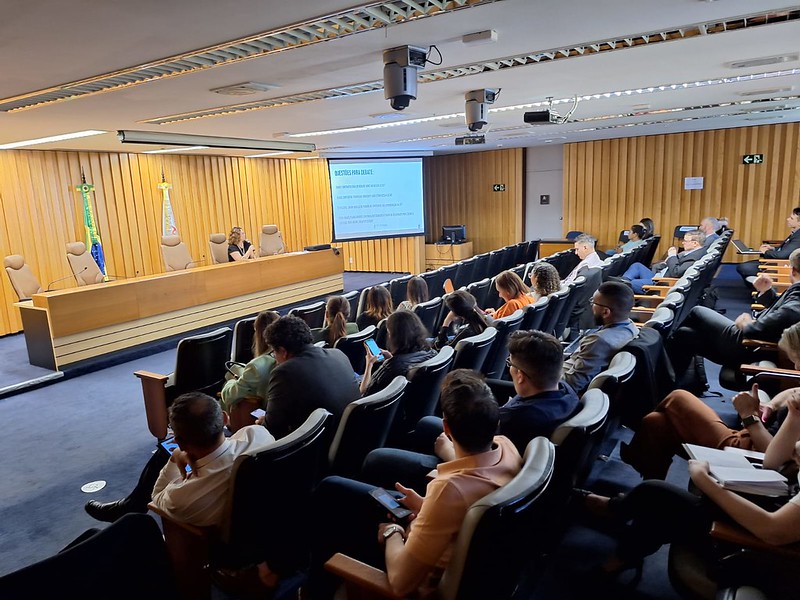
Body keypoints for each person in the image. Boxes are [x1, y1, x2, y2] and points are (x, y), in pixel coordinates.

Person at [306, 370, 522, 598]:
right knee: (342, 491)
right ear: (495, 422)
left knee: (331, 492)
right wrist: (424, 506)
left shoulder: (450, 490)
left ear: (446, 428)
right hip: (443, 540)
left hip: (417, 580)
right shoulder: (505, 446)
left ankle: (314, 591)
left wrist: (391, 532)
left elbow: (401, 582)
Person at [581, 394, 800, 594]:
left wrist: (705, 482)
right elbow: (773, 461)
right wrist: (793, 414)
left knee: (656, 496)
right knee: (655, 425)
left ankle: (618, 519)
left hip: (762, 543)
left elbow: (773, 532)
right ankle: (620, 538)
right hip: (776, 494)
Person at [362, 334, 579, 492]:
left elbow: (489, 466)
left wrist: (448, 452)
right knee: (427, 423)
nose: (509, 369)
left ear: (520, 376)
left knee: (377, 459)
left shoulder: (515, 420)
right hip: (487, 452)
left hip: (477, 473)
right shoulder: (567, 392)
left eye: (510, 365)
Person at [621, 322, 800, 479]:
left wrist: (749, 417)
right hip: (754, 436)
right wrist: (772, 404)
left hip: (752, 451)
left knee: (678, 398)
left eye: (798, 360)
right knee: (656, 423)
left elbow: (774, 459)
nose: (796, 367)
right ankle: (635, 504)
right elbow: (793, 390)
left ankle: (634, 439)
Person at [84, 392, 274, 524]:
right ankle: (128, 505)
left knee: (164, 454)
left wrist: (175, 457)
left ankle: (129, 507)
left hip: (224, 545)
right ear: (225, 419)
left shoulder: (182, 498)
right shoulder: (259, 435)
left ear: (179, 442)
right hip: (270, 518)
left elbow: (156, 498)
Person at [669, 248, 800, 375]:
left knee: (697, 311)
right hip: (751, 341)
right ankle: (670, 382)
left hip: (747, 343)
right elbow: (780, 310)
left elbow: (787, 314)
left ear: (793, 270)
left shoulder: (797, 297)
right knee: (684, 334)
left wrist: (747, 324)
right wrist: (766, 291)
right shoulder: (796, 290)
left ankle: (659, 360)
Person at [263, 315, 360, 439]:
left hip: (319, 449)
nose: (275, 358)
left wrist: (263, 423)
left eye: (274, 352)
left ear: (283, 351)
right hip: (351, 438)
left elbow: (272, 430)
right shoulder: (339, 354)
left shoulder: (284, 372)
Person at [562, 281, 638, 395]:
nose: (591, 306)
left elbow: (573, 383)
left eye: (593, 302)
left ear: (605, 312)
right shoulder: (631, 327)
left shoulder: (599, 341)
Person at [220, 310, 280, 432]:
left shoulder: (256, 366)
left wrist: (230, 381)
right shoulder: (285, 354)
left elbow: (229, 397)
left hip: (258, 418)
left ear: (257, 334)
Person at [360, 310, 437, 397]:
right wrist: (391, 358)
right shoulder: (431, 353)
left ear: (395, 337)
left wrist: (369, 364)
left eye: (389, 332)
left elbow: (364, 393)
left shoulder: (391, 368)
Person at [619, 229, 706, 294]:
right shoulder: (693, 252)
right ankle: (623, 281)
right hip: (660, 275)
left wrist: (672, 256)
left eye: (686, 241)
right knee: (637, 266)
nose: (683, 243)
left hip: (662, 282)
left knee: (632, 284)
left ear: (695, 243)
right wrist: (665, 263)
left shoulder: (694, 257)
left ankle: (622, 288)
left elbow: (676, 273)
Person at [737, 207, 800, 282]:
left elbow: (782, 256)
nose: (787, 219)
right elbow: (786, 249)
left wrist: (766, 252)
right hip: (776, 262)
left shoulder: (798, 236)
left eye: (791, 218)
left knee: (744, 267)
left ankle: (764, 288)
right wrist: (772, 249)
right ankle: (761, 288)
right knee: (744, 267)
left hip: (780, 265)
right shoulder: (796, 233)